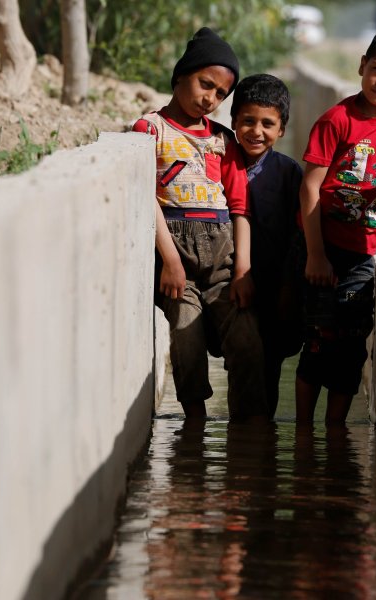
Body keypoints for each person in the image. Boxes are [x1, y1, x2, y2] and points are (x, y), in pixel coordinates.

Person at [132, 28, 267, 421]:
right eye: (205, 84)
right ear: (180, 76)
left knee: (247, 341)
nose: (210, 98)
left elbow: (239, 207)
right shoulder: (150, 130)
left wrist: (242, 268)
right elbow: (145, 196)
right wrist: (170, 261)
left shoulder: (223, 141)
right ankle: (194, 432)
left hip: (223, 259)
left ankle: (248, 436)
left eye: (221, 93)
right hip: (176, 258)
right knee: (186, 342)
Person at [296, 26, 376, 425]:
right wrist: (315, 254)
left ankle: (334, 430)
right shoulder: (337, 120)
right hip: (326, 247)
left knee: (351, 343)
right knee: (319, 337)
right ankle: (302, 431)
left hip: (363, 256)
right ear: (362, 66)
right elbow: (310, 188)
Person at [229, 74, 304, 419]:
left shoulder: (289, 174)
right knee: (242, 356)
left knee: (270, 362)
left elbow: (298, 233)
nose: (256, 132)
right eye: (248, 121)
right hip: (230, 281)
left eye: (267, 124)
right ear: (233, 122)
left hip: (275, 285)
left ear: (282, 130)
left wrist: (290, 286)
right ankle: (243, 440)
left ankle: (258, 446)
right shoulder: (220, 165)